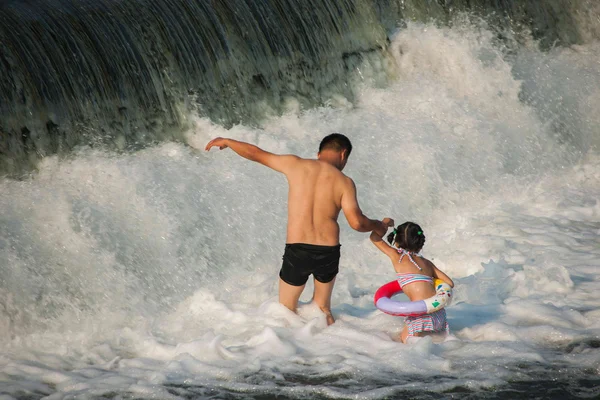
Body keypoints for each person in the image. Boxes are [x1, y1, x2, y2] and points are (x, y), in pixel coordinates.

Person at [205, 133, 390, 325]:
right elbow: (357, 223)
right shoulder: (345, 182)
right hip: (328, 251)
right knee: (323, 309)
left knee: (285, 311)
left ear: (319, 153)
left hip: (297, 249)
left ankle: (292, 348)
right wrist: (379, 225)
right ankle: (332, 347)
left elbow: (256, 153)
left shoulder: (296, 164)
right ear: (343, 154)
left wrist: (228, 142)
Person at [370, 220, 454, 343]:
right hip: (438, 314)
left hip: (419, 316)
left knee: (403, 346)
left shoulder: (396, 256)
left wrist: (384, 224)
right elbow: (449, 283)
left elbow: (374, 237)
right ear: (420, 244)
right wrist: (427, 279)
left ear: (397, 242)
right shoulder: (427, 263)